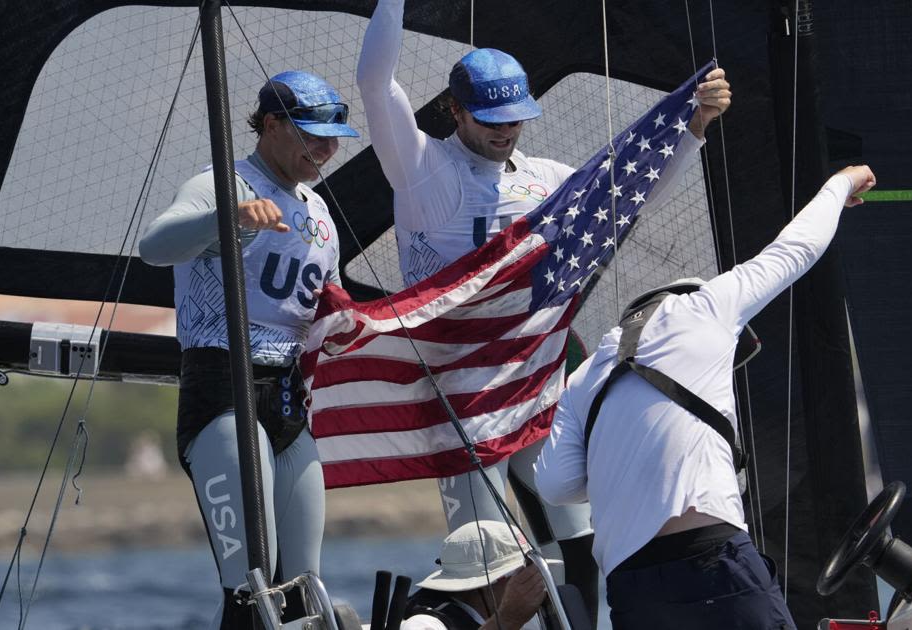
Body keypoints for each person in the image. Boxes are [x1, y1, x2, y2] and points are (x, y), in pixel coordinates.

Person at [356, 0, 733, 616]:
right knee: (485, 558)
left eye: (515, 119)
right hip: (458, 391)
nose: (505, 131)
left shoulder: (546, 179)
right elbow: (375, 80)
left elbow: (632, 197)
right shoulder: (422, 167)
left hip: (531, 379)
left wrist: (692, 128)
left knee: (578, 534)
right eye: (489, 120)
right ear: (454, 111)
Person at [534, 165, 878, 629]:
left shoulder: (582, 380)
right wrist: (840, 185)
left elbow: (555, 487)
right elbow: (796, 249)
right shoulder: (705, 306)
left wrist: (623, 466)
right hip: (713, 562)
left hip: (633, 587)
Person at [138, 70, 359, 629]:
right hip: (223, 392)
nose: (328, 150)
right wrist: (229, 219)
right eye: (313, 135)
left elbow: (320, 301)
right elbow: (154, 247)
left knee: (305, 589)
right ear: (270, 125)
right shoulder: (223, 182)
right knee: (251, 588)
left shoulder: (318, 212)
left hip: (288, 402)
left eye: (335, 137)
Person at [402, 521, 548, 630]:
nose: (534, 576)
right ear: (487, 583)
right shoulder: (423, 624)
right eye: (523, 570)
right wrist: (507, 619)